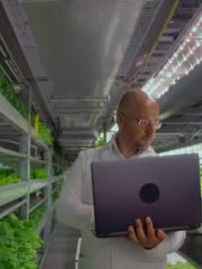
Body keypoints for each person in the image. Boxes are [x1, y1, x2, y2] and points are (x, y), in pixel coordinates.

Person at [55, 89, 186, 269]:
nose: (151, 132)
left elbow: (180, 231)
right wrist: (103, 218)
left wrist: (154, 245)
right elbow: (63, 210)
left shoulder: (165, 169)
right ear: (120, 119)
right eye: (143, 122)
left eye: (155, 123)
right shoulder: (88, 159)